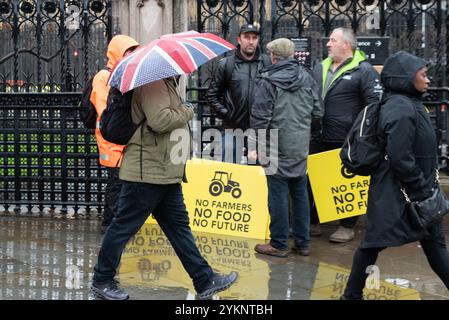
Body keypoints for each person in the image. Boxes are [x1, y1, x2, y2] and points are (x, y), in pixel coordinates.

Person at [90, 76, 238, 300]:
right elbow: (160, 120)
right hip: (146, 173)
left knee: (179, 230)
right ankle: (102, 279)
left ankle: (204, 279)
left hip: (165, 173)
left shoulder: (166, 83)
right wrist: (187, 110)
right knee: (122, 228)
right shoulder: (153, 83)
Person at [342, 51, 449, 299]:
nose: (428, 80)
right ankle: (351, 295)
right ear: (405, 78)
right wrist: (420, 187)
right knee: (372, 244)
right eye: (423, 75)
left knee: (435, 244)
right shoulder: (399, 107)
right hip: (396, 191)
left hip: (415, 191)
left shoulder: (407, 103)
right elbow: (400, 155)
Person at [249, 38, 322, 258]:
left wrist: (256, 148)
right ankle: (303, 243)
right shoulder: (307, 79)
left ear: (274, 56)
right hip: (299, 146)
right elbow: (318, 112)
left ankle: (279, 243)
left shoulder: (268, 81)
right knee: (300, 194)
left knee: (277, 196)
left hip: (274, 148)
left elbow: (260, 118)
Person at [311, 27, 382, 242]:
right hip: (317, 134)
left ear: (346, 45)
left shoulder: (364, 70)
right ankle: (313, 221)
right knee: (313, 180)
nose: (328, 44)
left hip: (346, 137)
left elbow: (374, 105)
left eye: (333, 40)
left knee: (346, 183)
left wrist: (363, 134)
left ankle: (347, 226)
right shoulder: (320, 67)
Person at [90, 35, 139, 234]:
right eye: (128, 50)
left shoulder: (126, 74)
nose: (131, 54)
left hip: (122, 135)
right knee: (115, 181)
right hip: (110, 137)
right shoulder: (103, 76)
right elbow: (103, 108)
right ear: (118, 51)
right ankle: (110, 224)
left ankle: (116, 222)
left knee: (122, 181)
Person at [207, 23, 271, 163]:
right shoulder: (226, 64)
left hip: (260, 130)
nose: (250, 41)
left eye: (254, 37)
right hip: (232, 128)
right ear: (239, 39)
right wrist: (227, 114)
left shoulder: (267, 63)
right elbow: (212, 96)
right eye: (247, 37)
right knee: (230, 174)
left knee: (260, 176)